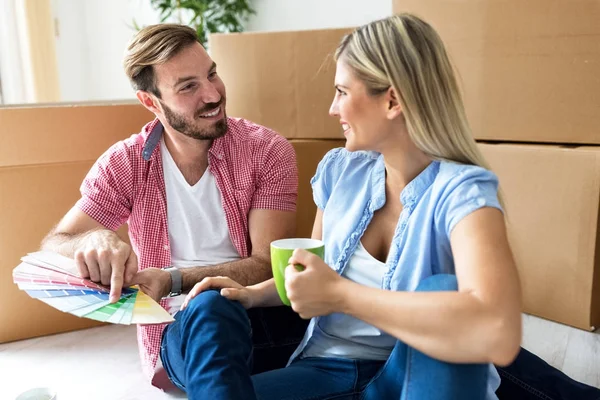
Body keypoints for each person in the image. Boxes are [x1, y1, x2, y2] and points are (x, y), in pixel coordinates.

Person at [174, 13, 600, 400]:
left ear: (392, 101)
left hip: (414, 372)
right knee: (216, 341)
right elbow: (310, 277)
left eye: (342, 92)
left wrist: (342, 295)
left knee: (445, 298)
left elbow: (494, 323)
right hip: (327, 367)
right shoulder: (341, 172)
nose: (332, 108)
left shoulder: (461, 191)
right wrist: (250, 296)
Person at [40, 24, 308, 387]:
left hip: (259, 314)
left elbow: (266, 266)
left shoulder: (267, 151)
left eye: (212, 73)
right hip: (179, 334)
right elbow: (55, 243)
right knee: (211, 307)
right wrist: (94, 239)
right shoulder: (126, 163)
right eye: (188, 86)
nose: (213, 94)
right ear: (151, 102)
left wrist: (172, 280)